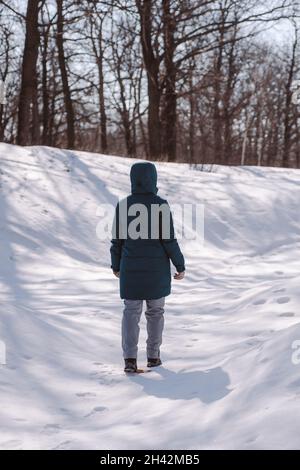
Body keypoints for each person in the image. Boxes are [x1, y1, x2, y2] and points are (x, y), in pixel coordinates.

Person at [110, 162, 185, 373]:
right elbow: (169, 240)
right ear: (154, 178)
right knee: (156, 312)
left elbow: (117, 241)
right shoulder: (161, 205)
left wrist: (116, 265)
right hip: (156, 271)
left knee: (131, 312)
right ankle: (153, 356)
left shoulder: (123, 205)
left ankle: (130, 360)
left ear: (133, 179)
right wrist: (180, 265)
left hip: (130, 269)